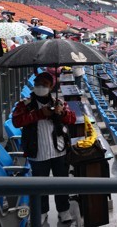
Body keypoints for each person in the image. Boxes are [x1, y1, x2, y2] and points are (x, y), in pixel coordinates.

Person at [12, 72, 76, 224]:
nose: (41, 87)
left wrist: (62, 113)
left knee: (62, 182)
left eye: (44, 84)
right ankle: (41, 211)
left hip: (58, 150)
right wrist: (39, 114)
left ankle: (63, 210)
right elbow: (17, 121)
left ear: (51, 86)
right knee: (40, 184)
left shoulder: (58, 102)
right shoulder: (25, 104)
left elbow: (72, 118)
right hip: (38, 152)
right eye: (38, 84)